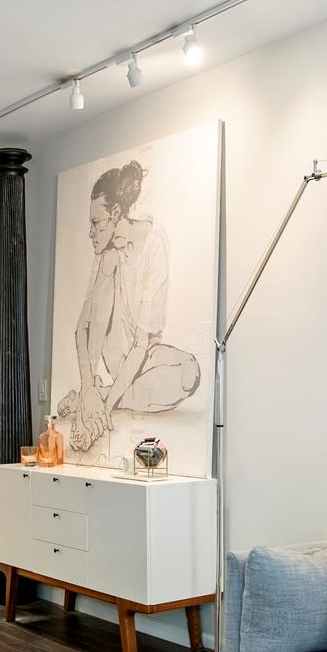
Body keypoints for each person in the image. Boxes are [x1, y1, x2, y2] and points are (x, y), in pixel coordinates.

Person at [57, 160, 200, 454]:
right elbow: (82, 328)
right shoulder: (106, 253)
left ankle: (107, 394)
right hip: (115, 351)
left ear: (116, 213)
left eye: (96, 223)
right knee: (109, 266)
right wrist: (87, 387)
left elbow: (142, 344)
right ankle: (95, 394)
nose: (91, 232)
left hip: (144, 357)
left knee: (189, 372)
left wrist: (103, 405)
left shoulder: (155, 243)